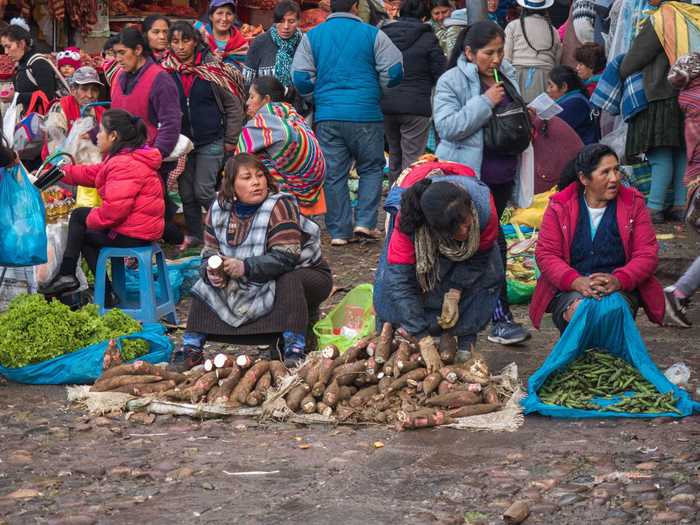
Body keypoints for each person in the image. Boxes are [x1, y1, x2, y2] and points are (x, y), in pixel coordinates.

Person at [180, 154, 333, 369]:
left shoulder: (280, 205)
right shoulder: (218, 209)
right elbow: (209, 253)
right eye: (247, 177)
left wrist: (244, 267)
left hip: (308, 274)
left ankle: (294, 349)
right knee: (202, 286)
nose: (256, 182)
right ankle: (191, 349)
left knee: (287, 279)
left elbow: (286, 258)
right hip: (250, 275)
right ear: (232, 186)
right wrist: (212, 271)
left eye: (260, 176)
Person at [433, 20, 531, 345]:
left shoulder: (508, 76)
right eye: (489, 52)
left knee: (489, 242)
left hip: (502, 177)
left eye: (501, 51)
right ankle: (496, 318)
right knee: (488, 244)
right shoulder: (452, 81)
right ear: (469, 52)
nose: (496, 59)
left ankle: (487, 317)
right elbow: (448, 127)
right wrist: (485, 101)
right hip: (468, 179)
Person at [291, 0, 403, 246]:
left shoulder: (313, 36)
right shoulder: (374, 34)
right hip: (366, 115)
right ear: (355, 6)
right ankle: (364, 221)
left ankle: (339, 231)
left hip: (328, 117)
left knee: (333, 174)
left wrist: (317, 95)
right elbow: (394, 71)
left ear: (330, 7)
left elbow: (300, 77)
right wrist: (377, 91)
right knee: (371, 168)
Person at [373, 160, 503, 366]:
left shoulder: (483, 206)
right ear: (434, 229)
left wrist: (454, 292)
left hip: (456, 193)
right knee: (389, 288)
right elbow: (399, 280)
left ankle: (465, 345)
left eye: (467, 225)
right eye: (455, 229)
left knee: (489, 275)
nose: (464, 232)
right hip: (414, 203)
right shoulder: (408, 221)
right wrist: (423, 340)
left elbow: (480, 255)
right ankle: (390, 340)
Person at [530, 144, 664, 333]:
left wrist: (619, 280)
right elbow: (546, 254)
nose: (614, 178)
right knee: (580, 311)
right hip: (570, 289)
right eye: (605, 172)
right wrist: (575, 281)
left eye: (616, 170)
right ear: (584, 178)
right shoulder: (560, 206)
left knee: (611, 311)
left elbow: (647, 254)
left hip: (619, 289)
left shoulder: (633, 204)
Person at [38, 110, 165, 296]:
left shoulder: (123, 164)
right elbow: (94, 173)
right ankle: (104, 293)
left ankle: (70, 276)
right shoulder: (126, 157)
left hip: (135, 233)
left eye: (100, 131)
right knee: (84, 231)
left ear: (113, 136)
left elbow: (113, 212)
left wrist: (88, 221)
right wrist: (62, 172)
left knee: (80, 218)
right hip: (139, 229)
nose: (96, 135)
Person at [161, 21, 246, 252]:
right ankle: (197, 236)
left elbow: (233, 106)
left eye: (185, 40)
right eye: (175, 41)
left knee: (204, 190)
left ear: (195, 42)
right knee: (187, 194)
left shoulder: (213, 70)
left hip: (212, 139)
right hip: (181, 145)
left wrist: (231, 138)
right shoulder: (165, 72)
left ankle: (227, 229)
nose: (180, 47)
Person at [620, 0, 694, 224]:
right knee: (681, 151)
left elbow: (631, 62)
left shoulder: (662, 18)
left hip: (662, 96)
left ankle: (654, 208)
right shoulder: (693, 15)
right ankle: (682, 206)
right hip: (690, 95)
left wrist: (622, 69)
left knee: (660, 154)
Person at [110, 26, 183, 245]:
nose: (118, 59)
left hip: (150, 160)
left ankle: (178, 240)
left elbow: (171, 122)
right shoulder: (119, 77)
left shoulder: (160, 79)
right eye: (115, 54)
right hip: (123, 160)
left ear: (139, 49)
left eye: (122, 53)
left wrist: (156, 154)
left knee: (149, 214)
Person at [237, 76, 326, 216]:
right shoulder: (292, 114)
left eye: (252, 97)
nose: (247, 102)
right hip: (313, 187)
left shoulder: (262, 123)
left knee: (249, 165)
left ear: (266, 100)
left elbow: (238, 161)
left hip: (289, 196)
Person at [381, 0, 446, 184]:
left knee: (394, 153)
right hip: (416, 107)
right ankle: (406, 200)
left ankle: (394, 196)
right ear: (424, 17)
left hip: (386, 104)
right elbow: (440, 71)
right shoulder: (428, 37)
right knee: (412, 159)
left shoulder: (384, 35)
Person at [504, 0, 562, 104]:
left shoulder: (512, 26)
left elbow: (506, 60)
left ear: (523, 8)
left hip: (517, 78)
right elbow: (557, 61)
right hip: (545, 80)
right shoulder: (553, 31)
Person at [43, 66, 105, 162]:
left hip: (93, 168)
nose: (89, 95)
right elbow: (55, 150)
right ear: (73, 90)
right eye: (84, 89)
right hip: (61, 168)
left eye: (94, 90)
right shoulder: (60, 107)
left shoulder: (101, 111)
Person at [242, 1, 302, 89]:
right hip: (264, 101)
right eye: (281, 21)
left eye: (291, 21)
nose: (285, 26)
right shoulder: (260, 42)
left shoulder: (304, 43)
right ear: (274, 21)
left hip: (296, 101)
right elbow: (247, 82)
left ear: (299, 22)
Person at [546, 65, 599, 145]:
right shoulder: (576, 98)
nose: (548, 90)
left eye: (551, 86)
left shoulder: (575, 103)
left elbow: (551, 129)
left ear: (564, 87)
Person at [194, 0, 249, 69]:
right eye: (219, 13)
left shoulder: (240, 42)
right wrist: (209, 58)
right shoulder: (200, 34)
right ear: (211, 16)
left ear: (234, 17)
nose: (224, 18)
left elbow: (243, 69)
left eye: (229, 14)